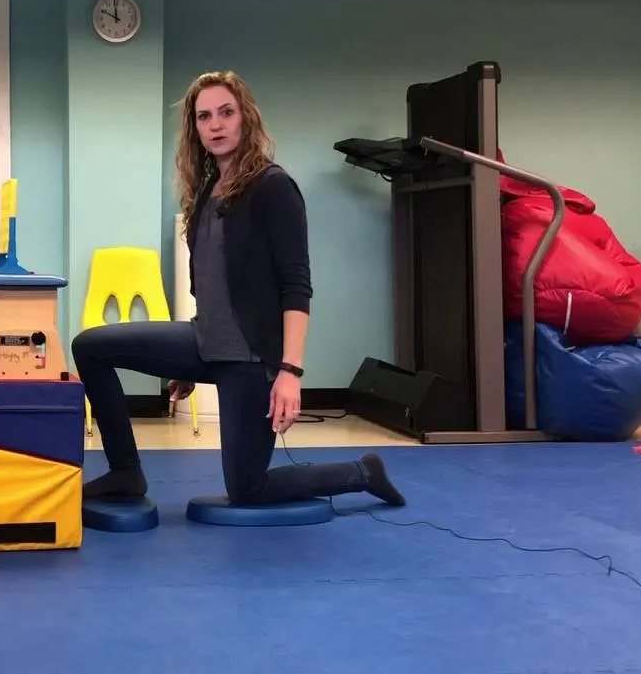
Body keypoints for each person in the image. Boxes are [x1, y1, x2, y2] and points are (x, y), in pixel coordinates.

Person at [72, 71, 406, 508]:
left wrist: (290, 371)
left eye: (226, 112)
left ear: (245, 117)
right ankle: (125, 472)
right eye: (204, 116)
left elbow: (296, 286)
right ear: (194, 127)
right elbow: (210, 284)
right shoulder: (206, 191)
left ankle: (362, 472)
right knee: (90, 347)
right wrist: (183, 366)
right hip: (203, 341)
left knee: (247, 490)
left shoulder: (273, 187)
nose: (216, 125)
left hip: (249, 360)